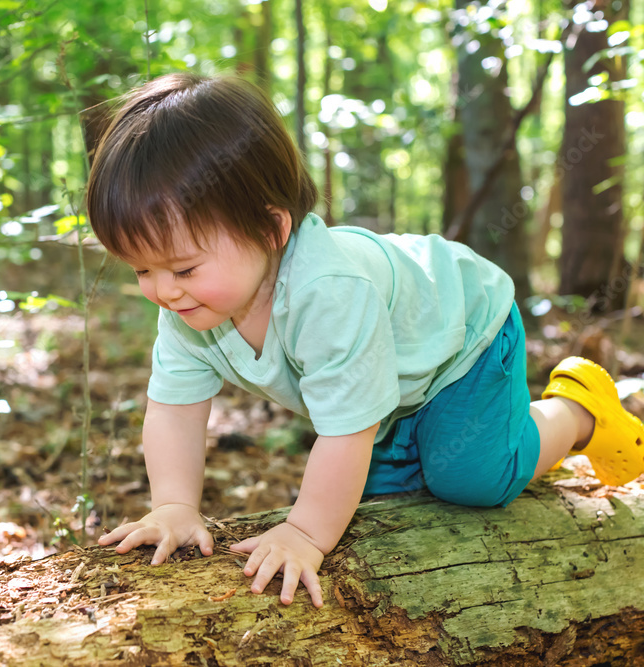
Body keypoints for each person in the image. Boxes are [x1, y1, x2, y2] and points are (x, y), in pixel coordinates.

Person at [84, 72, 644, 607]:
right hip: (393, 376)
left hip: (462, 339)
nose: (162, 291)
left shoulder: (328, 293)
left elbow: (346, 431)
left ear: (271, 229)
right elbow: (175, 409)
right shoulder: (189, 306)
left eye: (182, 269)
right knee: (390, 495)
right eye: (141, 271)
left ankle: (577, 410)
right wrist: (175, 505)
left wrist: (305, 532)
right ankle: (430, 437)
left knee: (471, 479)